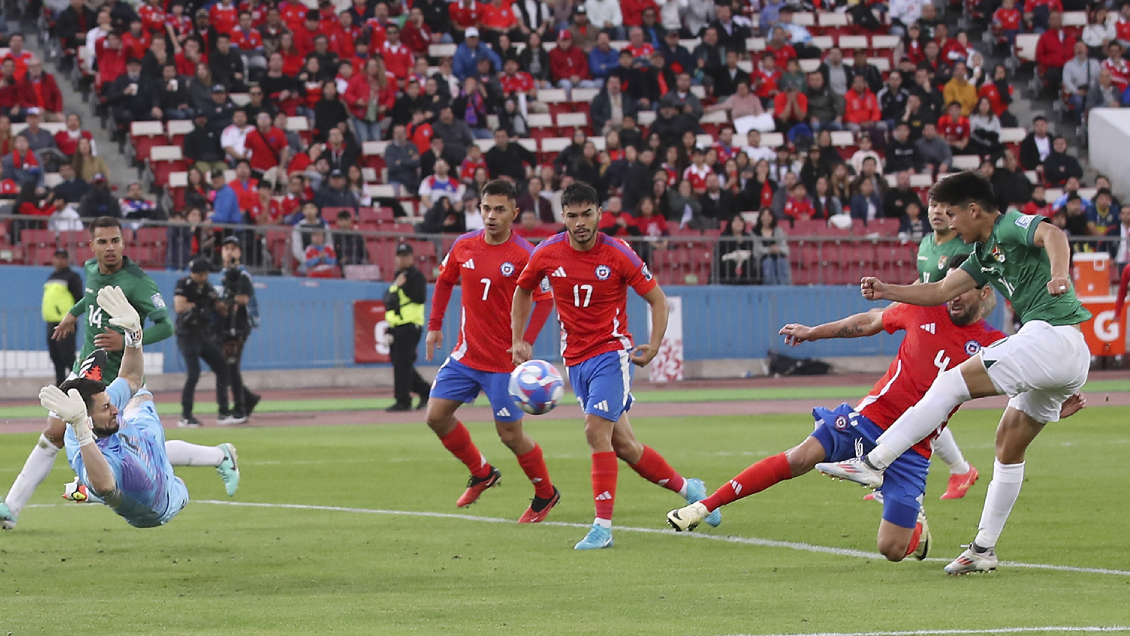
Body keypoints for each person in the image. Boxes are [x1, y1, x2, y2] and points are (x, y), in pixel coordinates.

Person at [667, 255, 1082, 563]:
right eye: (951, 289)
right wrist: (814, 333)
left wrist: (1051, 409)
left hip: (915, 451)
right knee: (801, 457)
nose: (953, 297)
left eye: (963, 290)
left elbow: (1023, 384)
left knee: (892, 550)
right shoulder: (923, 308)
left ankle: (916, 527)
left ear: (985, 291)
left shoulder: (992, 344)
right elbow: (868, 321)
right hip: (868, 420)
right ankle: (704, 506)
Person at [817, 171, 1093, 575]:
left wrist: (1059, 274)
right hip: (1062, 352)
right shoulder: (982, 256)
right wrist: (888, 290)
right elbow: (939, 292)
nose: (948, 222)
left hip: (1051, 337)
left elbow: (1053, 234)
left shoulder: (1008, 226)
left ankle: (874, 462)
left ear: (974, 210)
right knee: (1008, 444)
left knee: (948, 383)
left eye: (951, 213)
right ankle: (983, 549)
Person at [511, 181, 722, 550]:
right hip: (575, 361)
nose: (580, 222)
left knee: (596, 433)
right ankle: (691, 490)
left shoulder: (618, 253)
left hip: (611, 354)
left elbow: (657, 300)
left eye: (586, 214)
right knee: (625, 446)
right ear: (563, 216)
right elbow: (523, 289)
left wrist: (654, 346)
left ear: (598, 214)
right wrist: (519, 337)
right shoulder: (547, 252)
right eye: (572, 215)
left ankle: (602, 528)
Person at [0, 217, 175, 530]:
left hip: (118, 378)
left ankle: (213, 459)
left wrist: (126, 340)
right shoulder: (92, 271)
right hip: (87, 373)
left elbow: (166, 325)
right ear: (91, 245)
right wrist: (73, 313)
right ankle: (11, 507)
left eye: (116, 241)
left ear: (124, 243)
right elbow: (92, 296)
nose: (111, 248)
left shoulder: (137, 281)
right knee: (55, 431)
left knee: (140, 447)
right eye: (103, 242)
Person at [39, 292, 241, 529]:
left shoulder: (101, 411)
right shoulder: (93, 454)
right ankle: (220, 456)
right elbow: (106, 487)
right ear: (88, 421)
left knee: (137, 394)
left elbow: (132, 378)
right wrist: (81, 431)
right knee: (108, 482)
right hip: (159, 503)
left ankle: (220, 456)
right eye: (106, 407)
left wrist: (134, 336)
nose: (115, 409)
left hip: (142, 433)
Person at [423, 180, 560, 521]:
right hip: (466, 355)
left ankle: (545, 493)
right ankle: (482, 472)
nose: (491, 216)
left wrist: (524, 339)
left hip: (503, 363)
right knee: (436, 416)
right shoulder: (464, 245)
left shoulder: (526, 254)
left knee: (510, 436)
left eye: (500, 209)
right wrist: (435, 325)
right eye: (486, 208)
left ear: (514, 213)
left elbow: (544, 299)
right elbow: (443, 281)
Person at [174, 257, 231, 428]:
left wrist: (224, 303)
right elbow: (179, 306)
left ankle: (223, 411)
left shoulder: (208, 288)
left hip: (202, 333)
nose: (204, 276)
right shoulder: (184, 284)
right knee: (194, 373)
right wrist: (196, 305)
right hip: (186, 334)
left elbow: (219, 308)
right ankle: (186, 415)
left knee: (222, 367)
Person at [217, 237, 261, 423]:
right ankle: (247, 398)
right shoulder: (223, 274)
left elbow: (243, 298)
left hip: (239, 326)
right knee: (227, 367)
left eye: (233, 248)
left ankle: (241, 407)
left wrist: (230, 301)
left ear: (239, 253)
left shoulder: (242, 275)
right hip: (224, 326)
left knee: (231, 367)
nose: (229, 252)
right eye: (226, 248)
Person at [385, 242, 431, 412]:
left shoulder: (415, 276)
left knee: (402, 363)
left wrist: (402, 285)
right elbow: (389, 299)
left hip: (410, 325)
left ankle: (403, 400)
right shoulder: (398, 275)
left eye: (405, 256)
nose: (401, 259)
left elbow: (420, 297)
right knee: (401, 363)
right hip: (397, 325)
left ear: (411, 258)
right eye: (399, 256)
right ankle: (425, 390)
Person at [43, 249, 85, 386]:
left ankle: (77, 385)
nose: (59, 261)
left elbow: (79, 299)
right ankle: (60, 385)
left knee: (67, 356)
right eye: (57, 257)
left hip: (65, 323)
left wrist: (73, 318)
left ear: (67, 260)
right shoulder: (51, 276)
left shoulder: (72, 277)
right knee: (55, 356)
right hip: (51, 322)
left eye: (63, 258)